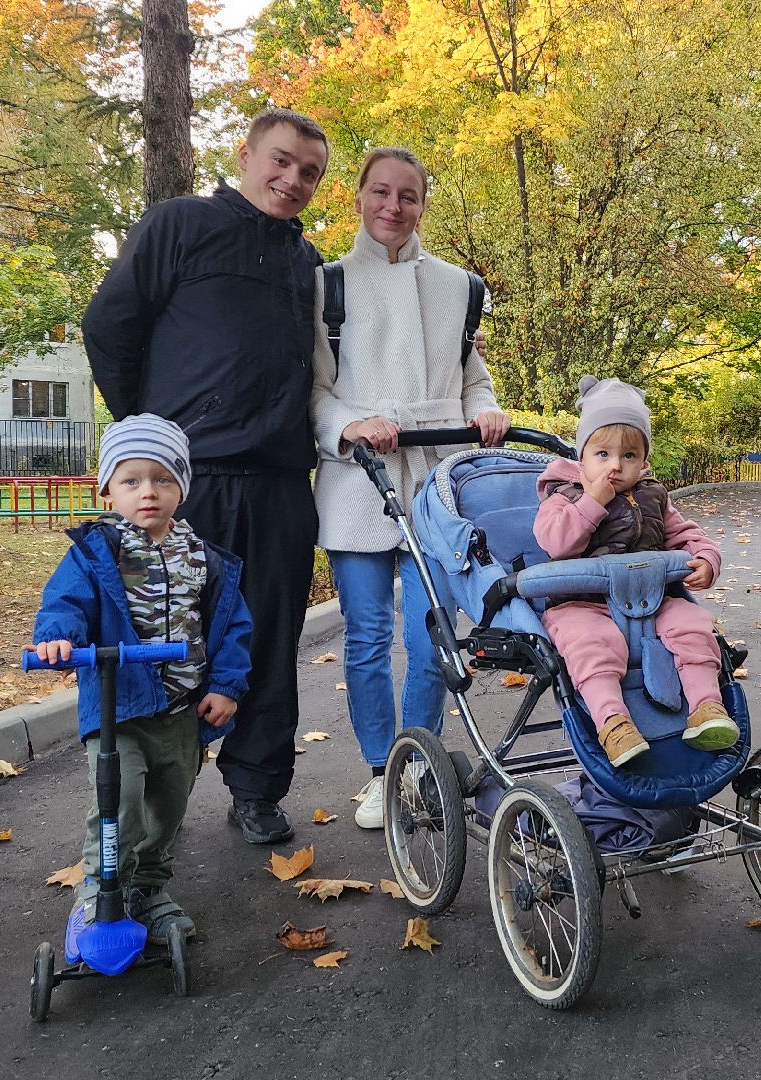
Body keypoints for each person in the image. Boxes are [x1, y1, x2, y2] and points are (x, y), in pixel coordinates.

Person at [82, 108, 329, 846]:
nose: (292, 180)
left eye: (309, 172)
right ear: (246, 154)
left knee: (268, 640)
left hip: (281, 484)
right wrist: (149, 442)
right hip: (191, 485)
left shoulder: (308, 262)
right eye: (281, 161)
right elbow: (109, 327)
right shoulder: (179, 225)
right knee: (171, 630)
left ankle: (256, 787)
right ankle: (156, 791)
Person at [309, 147, 511, 828]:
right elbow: (314, 391)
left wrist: (486, 410)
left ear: (425, 202)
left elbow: (471, 375)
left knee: (433, 637)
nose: (393, 208)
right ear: (359, 196)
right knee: (366, 635)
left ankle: (419, 760)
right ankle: (379, 771)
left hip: (434, 481)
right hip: (358, 480)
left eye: (409, 196)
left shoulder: (459, 287)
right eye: (380, 193)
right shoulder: (327, 285)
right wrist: (351, 423)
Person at [30, 414, 254, 939]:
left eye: (162, 479)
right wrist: (59, 636)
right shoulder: (97, 552)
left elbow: (233, 626)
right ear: (108, 490)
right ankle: (100, 890)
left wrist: (226, 687)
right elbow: (65, 601)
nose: (147, 492)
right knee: (121, 797)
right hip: (120, 709)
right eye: (131, 481)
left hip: (181, 711)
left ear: (182, 488)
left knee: (168, 807)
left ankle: (149, 886)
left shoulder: (204, 559)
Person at [532, 377, 736, 766]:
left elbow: (686, 536)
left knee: (692, 624)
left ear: (643, 460)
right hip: (582, 603)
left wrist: (706, 558)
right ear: (582, 457)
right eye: (603, 454)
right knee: (590, 643)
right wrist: (592, 501)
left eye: (629, 456)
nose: (615, 466)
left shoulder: (653, 496)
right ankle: (613, 723)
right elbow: (556, 544)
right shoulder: (563, 496)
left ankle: (707, 708)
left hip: (651, 599)